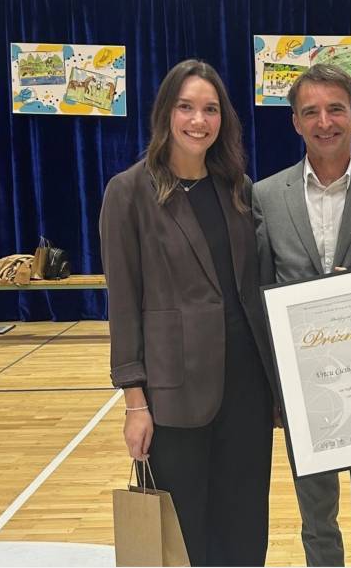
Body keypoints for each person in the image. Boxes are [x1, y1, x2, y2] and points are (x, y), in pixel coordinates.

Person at [99, 59, 276, 567]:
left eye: (210, 109)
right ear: (165, 114)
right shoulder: (129, 192)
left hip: (246, 390)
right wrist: (135, 404)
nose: (199, 121)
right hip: (173, 395)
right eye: (186, 107)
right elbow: (124, 306)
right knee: (183, 539)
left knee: (245, 531)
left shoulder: (237, 188)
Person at [252, 63, 351, 567]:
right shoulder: (265, 196)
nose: (324, 122)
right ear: (295, 122)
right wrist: (275, 390)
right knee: (316, 521)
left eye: (336, 109)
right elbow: (262, 296)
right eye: (311, 112)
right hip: (305, 390)